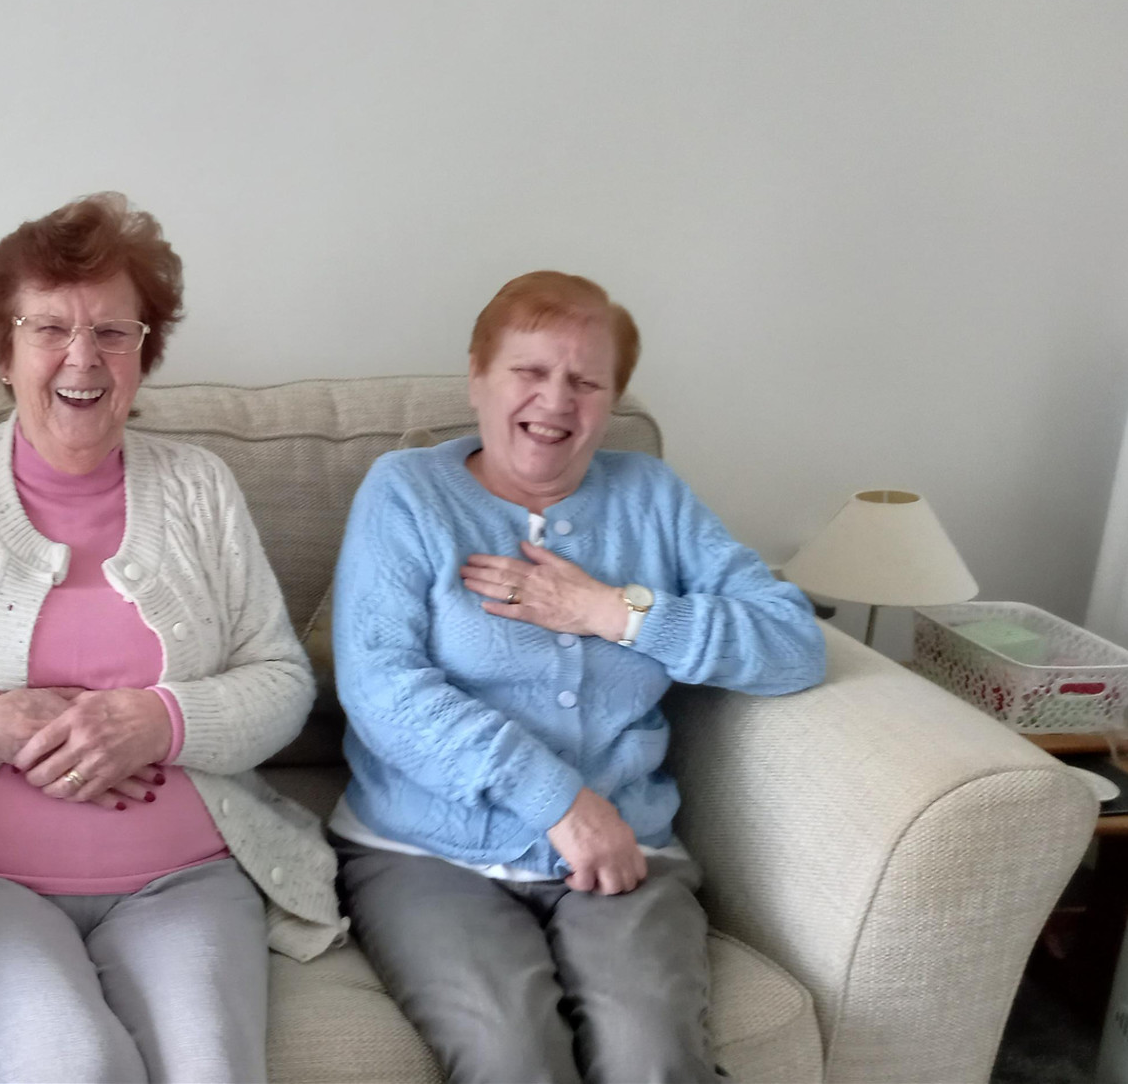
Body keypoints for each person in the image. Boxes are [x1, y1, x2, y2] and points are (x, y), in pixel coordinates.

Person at [0, 192, 341, 1083]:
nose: (83, 358)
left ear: (144, 352)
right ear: (4, 346)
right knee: (75, 1068)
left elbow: (281, 682)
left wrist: (161, 722)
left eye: (114, 332)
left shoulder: (199, 486)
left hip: (184, 880)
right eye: (50, 328)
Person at [329, 271, 825, 1083]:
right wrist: (557, 799)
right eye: (530, 371)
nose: (556, 400)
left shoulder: (654, 500)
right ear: (478, 378)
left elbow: (792, 643)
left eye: (585, 381)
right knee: (510, 1051)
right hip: (426, 849)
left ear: (612, 401)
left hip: (625, 850)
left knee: (651, 1055)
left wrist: (613, 612)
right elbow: (384, 689)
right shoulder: (408, 494)